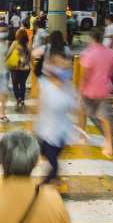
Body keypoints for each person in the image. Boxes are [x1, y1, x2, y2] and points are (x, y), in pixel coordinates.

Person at [35, 53, 77, 184]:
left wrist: (80, 129)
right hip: (45, 130)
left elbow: (76, 107)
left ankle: (49, 180)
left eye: (67, 67)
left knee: (53, 160)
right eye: (62, 66)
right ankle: (50, 179)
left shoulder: (69, 87)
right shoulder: (44, 85)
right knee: (49, 158)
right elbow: (38, 107)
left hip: (61, 131)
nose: (67, 70)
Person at [79, 28, 113, 157]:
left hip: (89, 89)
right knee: (104, 118)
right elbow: (112, 69)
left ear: (92, 39)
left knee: (83, 113)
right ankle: (109, 144)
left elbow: (86, 74)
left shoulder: (88, 53)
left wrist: (81, 88)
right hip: (104, 88)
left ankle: (82, 137)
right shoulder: (111, 53)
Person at [6, 28, 31, 111]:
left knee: (15, 84)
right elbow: (30, 55)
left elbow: (9, 53)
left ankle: (18, 99)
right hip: (26, 68)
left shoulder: (15, 43)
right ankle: (22, 99)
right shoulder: (28, 44)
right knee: (22, 83)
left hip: (15, 67)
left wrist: (5, 60)